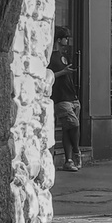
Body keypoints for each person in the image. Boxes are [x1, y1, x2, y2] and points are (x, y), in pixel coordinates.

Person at [48, 25, 82, 172]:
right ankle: (76, 151)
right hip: (61, 97)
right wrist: (63, 72)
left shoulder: (64, 55)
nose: (67, 40)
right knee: (74, 125)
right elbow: (47, 76)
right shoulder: (50, 56)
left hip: (72, 95)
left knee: (68, 129)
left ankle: (68, 161)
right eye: (65, 38)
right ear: (59, 39)